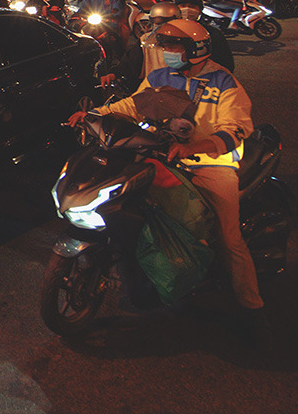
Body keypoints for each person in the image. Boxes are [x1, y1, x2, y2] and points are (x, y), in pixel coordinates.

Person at [67, 19, 268, 344]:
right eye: (165, 46)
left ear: (195, 50)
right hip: (162, 156)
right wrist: (96, 114)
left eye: (173, 47)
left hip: (210, 164)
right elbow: (133, 106)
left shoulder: (224, 82)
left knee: (229, 238)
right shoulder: (160, 76)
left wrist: (193, 148)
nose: (167, 52)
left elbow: (236, 128)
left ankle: (252, 306)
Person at [175, 0, 234, 71]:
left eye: (192, 6)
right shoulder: (166, 31)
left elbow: (225, 62)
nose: (187, 9)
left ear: (200, 11)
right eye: (183, 6)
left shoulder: (212, 33)